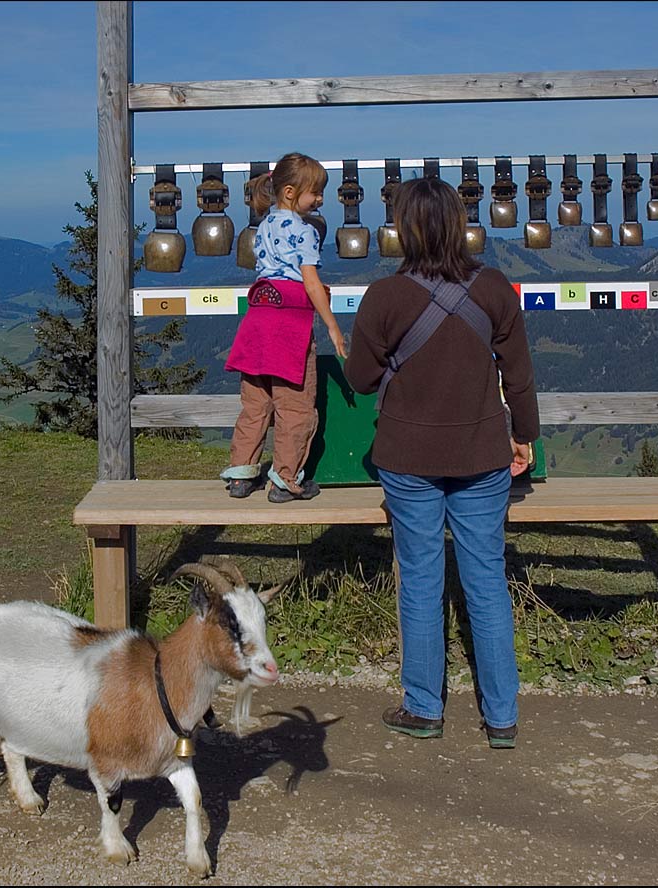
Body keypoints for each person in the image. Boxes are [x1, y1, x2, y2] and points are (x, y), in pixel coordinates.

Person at [343, 176, 539, 748]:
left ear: (403, 229)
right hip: (482, 455)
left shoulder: (384, 297)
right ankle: (501, 717)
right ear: (459, 223)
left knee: (422, 581)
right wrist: (523, 437)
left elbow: (359, 380)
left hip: (407, 458)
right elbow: (520, 378)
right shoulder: (497, 288)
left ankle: (425, 707)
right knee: (486, 582)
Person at [221, 152, 347, 503]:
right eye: (315, 193)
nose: (320, 199)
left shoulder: (263, 227)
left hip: (257, 320)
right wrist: (333, 326)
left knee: (255, 403)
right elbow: (309, 282)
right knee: (295, 407)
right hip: (289, 326)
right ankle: (285, 480)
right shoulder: (303, 231)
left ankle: (242, 474)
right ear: (290, 192)